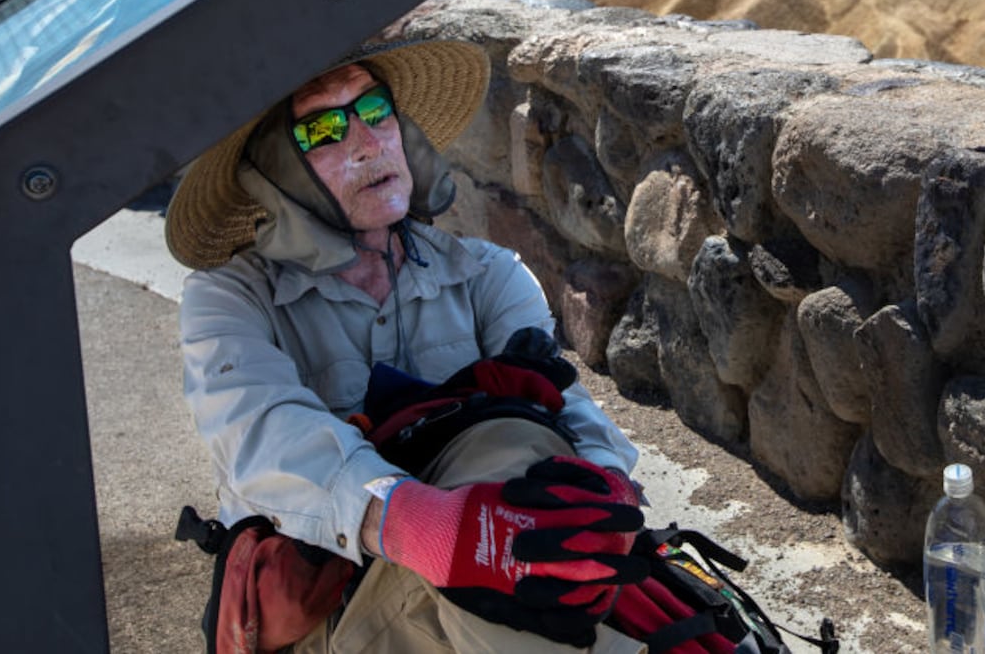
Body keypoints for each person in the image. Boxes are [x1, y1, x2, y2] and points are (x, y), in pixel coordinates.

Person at [165, 39, 647, 653]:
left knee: (524, 446)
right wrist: (418, 524)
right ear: (275, 172)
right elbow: (259, 432)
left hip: (494, 577)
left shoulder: (487, 274)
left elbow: (562, 399)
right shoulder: (229, 299)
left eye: (375, 111)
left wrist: (608, 492)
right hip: (332, 602)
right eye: (324, 130)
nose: (367, 143)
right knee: (509, 474)